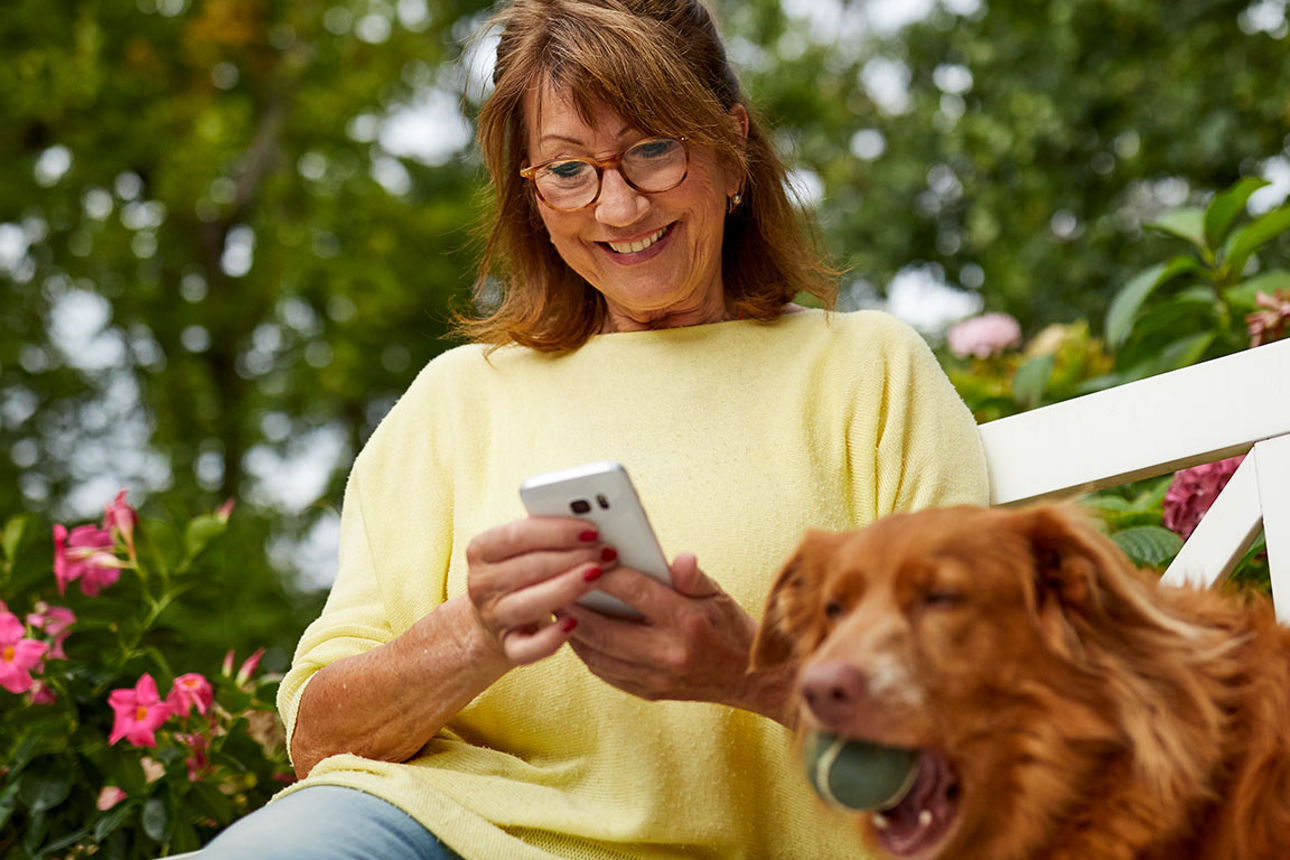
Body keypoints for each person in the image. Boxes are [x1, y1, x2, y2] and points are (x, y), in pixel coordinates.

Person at [201, 0, 988, 857]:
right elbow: (319, 741)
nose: (617, 207)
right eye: (568, 169)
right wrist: (474, 636)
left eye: (652, 150)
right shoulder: (456, 398)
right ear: (532, 194)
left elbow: (979, 716)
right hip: (425, 829)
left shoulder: (867, 371)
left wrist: (746, 675)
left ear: (732, 147)